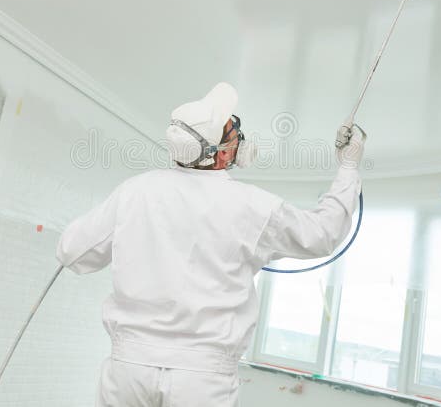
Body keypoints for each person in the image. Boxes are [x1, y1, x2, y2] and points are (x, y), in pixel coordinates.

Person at [56, 82, 365, 406]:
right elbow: (322, 234)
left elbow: (70, 252)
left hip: (129, 370)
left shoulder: (135, 191)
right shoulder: (251, 206)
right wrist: (348, 167)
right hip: (202, 380)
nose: (239, 138)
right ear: (220, 152)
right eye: (232, 131)